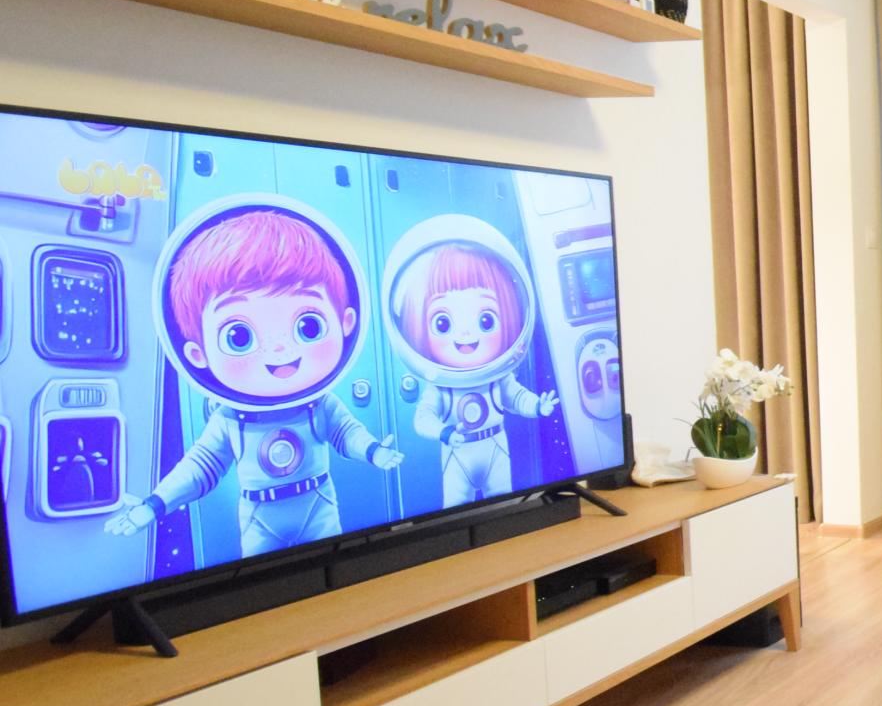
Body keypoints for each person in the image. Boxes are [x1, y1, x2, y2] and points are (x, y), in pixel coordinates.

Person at [107, 200, 403, 557]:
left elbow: (345, 432)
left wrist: (372, 451)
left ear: (346, 323)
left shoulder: (320, 405)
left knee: (339, 567)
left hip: (318, 504)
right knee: (261, 580)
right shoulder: (230, 419)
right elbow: (201, 466)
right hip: (259, 516)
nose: (279, 350)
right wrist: (155, 505)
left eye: (308, 326)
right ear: (198, 355)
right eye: (239, 336)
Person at [390, 234, 559, 508]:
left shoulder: (498, 378)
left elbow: (516, 398)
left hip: (495, 447)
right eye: (443, 323)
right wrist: (444, 433)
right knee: (455, 510)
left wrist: (538, 406)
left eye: (485, 320)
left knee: (505, 507)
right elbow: (423, 419)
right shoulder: (441, 387)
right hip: (457, 453)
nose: (466, 335)